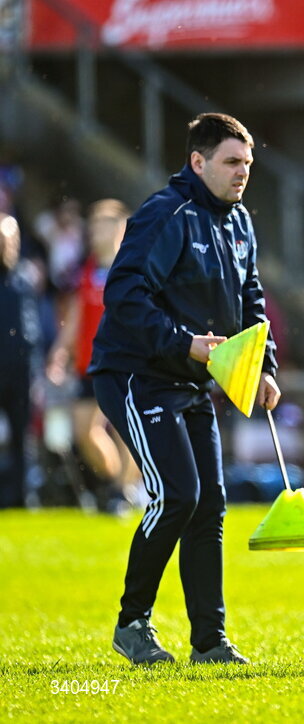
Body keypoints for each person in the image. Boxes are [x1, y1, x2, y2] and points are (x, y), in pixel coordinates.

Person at [89, 113, 280, 665]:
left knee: (209, 507)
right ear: (198, 162)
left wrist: (264, 367)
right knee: (177, 495)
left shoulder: (240, 220)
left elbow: (252, 301)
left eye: (247, 163)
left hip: (193, 381)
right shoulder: (164, 213)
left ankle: (210, 642)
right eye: (231, 162)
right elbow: (123, 293)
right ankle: (132, 623)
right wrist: (183, 343)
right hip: (137, 374)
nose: (242, 172)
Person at [47, 199, 141, 514]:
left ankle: (123, 491)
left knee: (126, 431)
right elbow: (74, 317)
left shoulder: (130, 268)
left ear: (120, 228)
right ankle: (118, 484)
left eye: (102, 226)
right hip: (89, 365)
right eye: (93, 226)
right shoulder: (86, 270)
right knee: (84, 431)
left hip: (125, 363)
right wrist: (59, 352)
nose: (95, 233)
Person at [0, 213, 42, 509]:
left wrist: (36, 368)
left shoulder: (23, 280)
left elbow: (32, 329)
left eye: (12, 240)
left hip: (20, 373)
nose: (8, 245)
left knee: (20, 437)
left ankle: (20, 495)